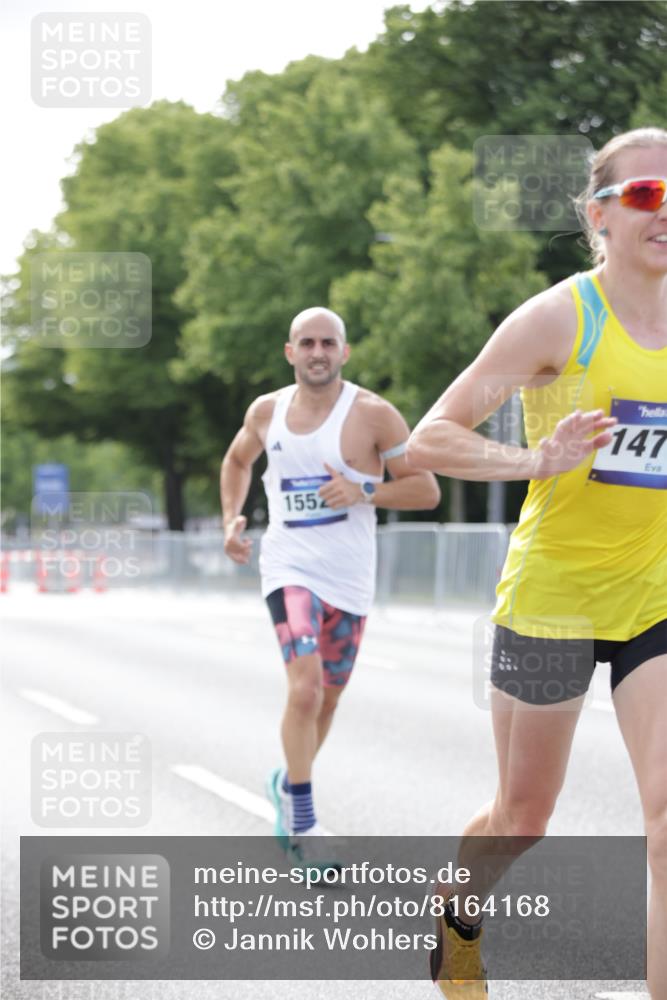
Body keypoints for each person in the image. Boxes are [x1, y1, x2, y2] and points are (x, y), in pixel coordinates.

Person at [407, 127, 667, 999]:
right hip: (552, 597)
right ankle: (457, 908)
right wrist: (531, 461)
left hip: (653, 596)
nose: (663, 209)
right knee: (523, 819)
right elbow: (430, 437)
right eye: (643, 194)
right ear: (598, 215)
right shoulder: (561, 316)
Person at [221, 306, 440, 861]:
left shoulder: (374, 415)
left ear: (344, 352)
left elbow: (425, 491)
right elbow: (236, 461)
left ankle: (287, 784)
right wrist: (231, 517)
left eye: (328, 343)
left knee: (329, 700)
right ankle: (305, 824)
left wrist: (365, 490)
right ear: (290, 352)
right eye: (307, 342)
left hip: (349, 578)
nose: (318, 352)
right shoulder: (265, 412)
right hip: (288, 568)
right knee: (305, 689)